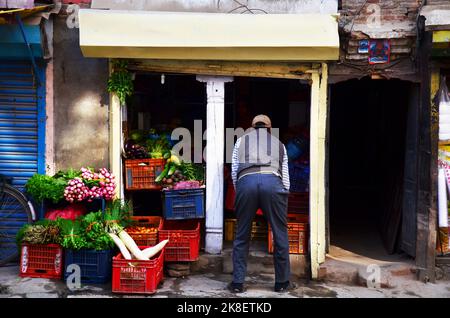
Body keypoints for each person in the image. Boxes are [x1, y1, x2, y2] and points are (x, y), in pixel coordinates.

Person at [228, 114, 296, 293]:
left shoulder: (240, 142)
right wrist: (283, 195)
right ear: (269, 127)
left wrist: (241, 189)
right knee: (280, 233)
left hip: (246, 184)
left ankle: (237, 283)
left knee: (242, 233)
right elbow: (285, 176)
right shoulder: (279, 145)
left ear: (251, 127)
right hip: (273, 185)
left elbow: (235, 170)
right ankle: (281, 283)